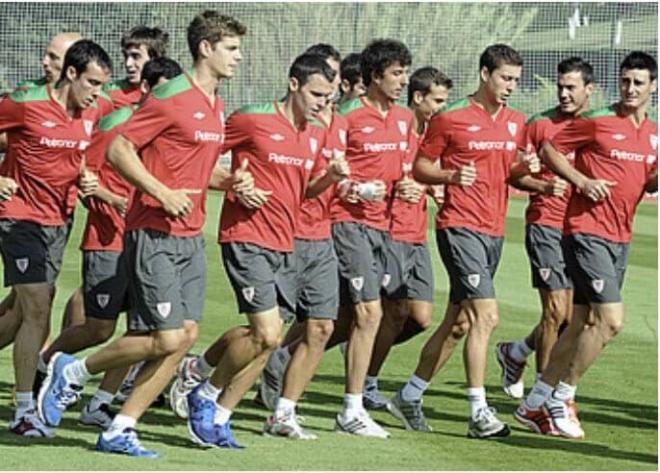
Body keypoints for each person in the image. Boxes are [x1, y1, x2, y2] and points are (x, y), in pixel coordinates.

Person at [38, 11, 250, 457]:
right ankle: (72, 373)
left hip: (190, 236)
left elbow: (195, 167)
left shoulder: (214, 103)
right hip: (153, 232)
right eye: (231, 48)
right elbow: (119, 148)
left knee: (185, 336)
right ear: (206, 48)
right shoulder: (172, 95)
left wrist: (229, 181)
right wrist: (159, 191)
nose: (239, 56)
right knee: (169, 338)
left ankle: (120, 428)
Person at [184, 52, 347, 448]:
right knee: (269, 332)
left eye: (328, 96)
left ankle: (220, 415)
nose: (322, 103)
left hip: (285, 242)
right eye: (316, 94)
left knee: (270, 339)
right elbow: (196, 158)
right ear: (294, 84)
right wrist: (233, 183)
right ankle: (204, 395)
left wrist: (330, 177)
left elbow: (303, 191)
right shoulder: (250, 118)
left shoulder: (314, 133)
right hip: (246, 237)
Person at [388, 44, 536, 438]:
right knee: (487, 317)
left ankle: (409, 395)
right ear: (485, 74)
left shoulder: (515, 121)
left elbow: (511, 173)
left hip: (494, 232)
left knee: (459, 324)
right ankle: (479, 412)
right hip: (459, 227)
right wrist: (451, 177)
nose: (510, 87)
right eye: (505, 78)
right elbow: (421, 166)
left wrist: (532, 172)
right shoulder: (450, 117)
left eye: (516, 81)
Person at [515, 51, 657, 440]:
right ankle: (563, 396)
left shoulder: (653, 133)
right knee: (610, 321)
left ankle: (532, 404)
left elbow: (647, 181)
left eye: (639, 83)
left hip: (620, 237)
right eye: (626, 81)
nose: (630, 89)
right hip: (585, 231)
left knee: (579, 325)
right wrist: (581, 180)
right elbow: (550, 149)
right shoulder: (598, 122)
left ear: (653, 87)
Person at [36, 57, 184, 431]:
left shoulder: (168, 127)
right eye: (165, 88)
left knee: (142, 329)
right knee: (99, 329)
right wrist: (110, 197)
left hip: (147, 241)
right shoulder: (116, 124)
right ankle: (46, 365)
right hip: (108, 238)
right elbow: (81, 170)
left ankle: (100, 404)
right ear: (148, 90)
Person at [0, 39, 112, 437]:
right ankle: (25, 410)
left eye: (102, 85)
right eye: (93, 83)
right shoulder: (25, 103)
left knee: (17, 315)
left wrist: (87, 176)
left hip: (58, 222)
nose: (98, 93)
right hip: (18, 219)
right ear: (71, 74)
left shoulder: (96, 109)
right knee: (37, 307)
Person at [324, 38, 413, 438]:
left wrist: (412, 188)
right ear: (374, 76)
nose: (402, 80)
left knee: (338, 319)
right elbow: (328, 177)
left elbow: (404, 172)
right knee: (369, 314)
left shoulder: (405, 119)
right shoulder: (344, 117)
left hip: (384, 226)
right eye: (396, 73)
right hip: (347, 222)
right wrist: (356, 189)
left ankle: (278, 363)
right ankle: (352, 408)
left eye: (405, 72)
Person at [496, 57, 595, 399]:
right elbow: (513, 173)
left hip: (582, 231)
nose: (564, 94)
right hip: (545, 225)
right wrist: (540, 187)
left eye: (572, 88)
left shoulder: (599, 126)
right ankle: (543, 394)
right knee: (555, 311)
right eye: (561, 87)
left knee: (572, 317)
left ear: (589, 90)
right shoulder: (539, 125)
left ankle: (516, 352)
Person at [364, 67, 452, 410]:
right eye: (437, 101)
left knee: (421, 317)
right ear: (418, 98)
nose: (442, 109)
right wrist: (402, 185)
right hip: (392, 230)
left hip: (417, 234)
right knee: (395, 310)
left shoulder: (430, 138)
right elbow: (378, 173)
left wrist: (432, 187)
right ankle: (368, 381)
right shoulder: (396, 131)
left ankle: (364, 348)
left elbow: (424, 174)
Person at [102, 26, 169, 109]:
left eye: (136, 56)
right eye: (126, 56)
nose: (128, 63)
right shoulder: (110, 92)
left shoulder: (170, 92)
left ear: (154, 58)